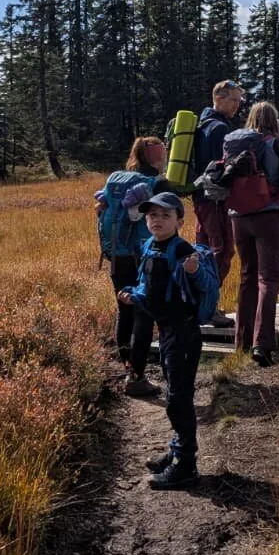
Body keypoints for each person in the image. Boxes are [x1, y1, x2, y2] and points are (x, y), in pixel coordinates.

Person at [120, 192, 205, 490]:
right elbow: (151, 286)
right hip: (167, 330)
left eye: (165, 215)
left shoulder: (182, 249)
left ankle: (186, 465)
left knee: (179, 399)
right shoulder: (150, 245)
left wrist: (193, 272)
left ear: (180, 221)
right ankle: (177, 450)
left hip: (183, 332)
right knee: (174, 394)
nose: (157, 220)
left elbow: (198, 282)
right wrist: (134, 294)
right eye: (152, 215)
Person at [96, 135, 172, 397]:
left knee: (124, 309)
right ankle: (136, 377)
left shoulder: (115, 178)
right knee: (144, 312)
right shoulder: (158, 182)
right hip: (143, 256)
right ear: (157, 155)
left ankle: (127, 364)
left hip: (116, 255)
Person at [229, 100, 279, 366]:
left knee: (247, 276)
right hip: (268, 214)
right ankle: (262, 344)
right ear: (275, 120)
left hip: (238, 216)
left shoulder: (236, 143)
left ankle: (242, 342)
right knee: (268, 278)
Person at [192, 79, 244, 326]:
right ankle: (207, 307)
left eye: (239, 100)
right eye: (233, 100)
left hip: (200, 198)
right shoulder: (220, 129)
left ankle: (196, 305)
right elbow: (224, 169)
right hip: (215, 199)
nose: (237, 105)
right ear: (219, 98)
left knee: (201, 251)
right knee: (220, 252)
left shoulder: (200, 125)